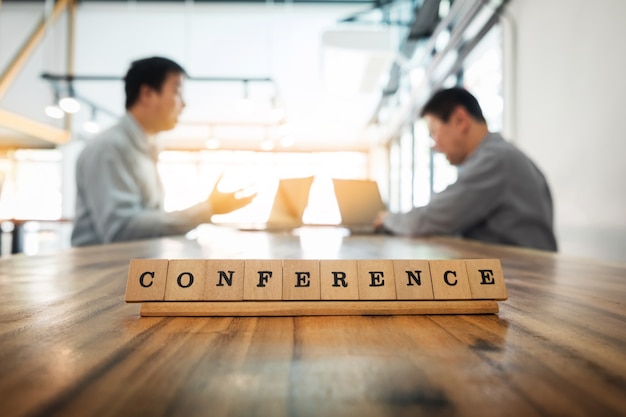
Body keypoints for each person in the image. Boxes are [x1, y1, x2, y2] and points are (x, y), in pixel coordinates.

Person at [71, 56, 255, 246]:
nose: (183, 104)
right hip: (102, 273)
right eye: (177, 91)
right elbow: (122, 230)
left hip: (127, 269)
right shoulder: (109, 149)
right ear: (147, 94)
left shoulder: (143, 148)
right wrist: (206, 209)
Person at [375, 87, 557, 251]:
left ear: (460, 120)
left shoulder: (495, 160)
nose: (434, 146)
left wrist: (387, 219)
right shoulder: (498, 157)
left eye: (434, 132)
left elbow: (431, 218)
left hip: (522, 276)